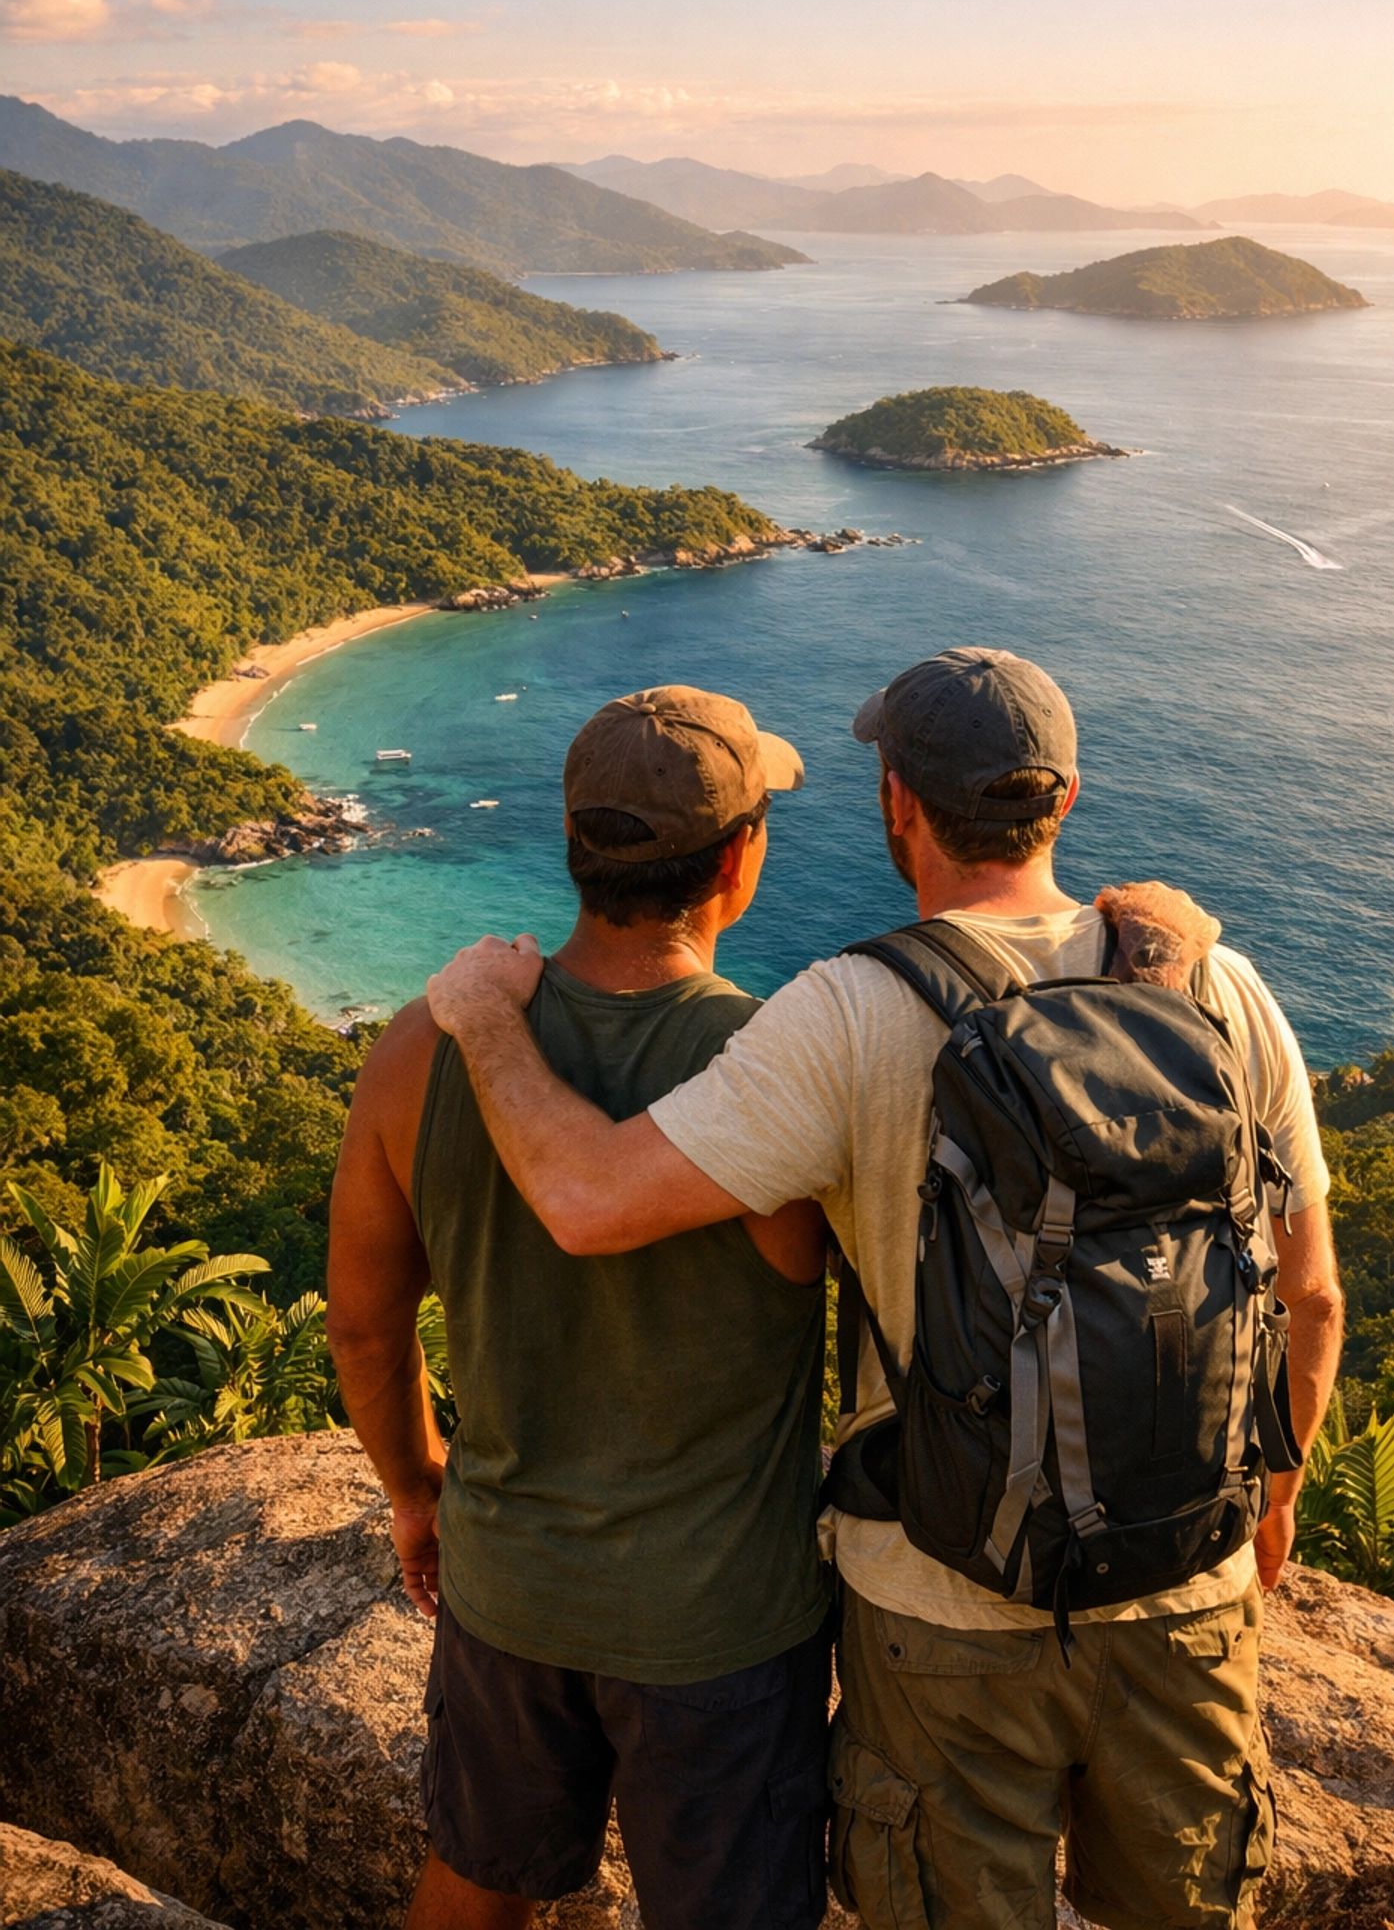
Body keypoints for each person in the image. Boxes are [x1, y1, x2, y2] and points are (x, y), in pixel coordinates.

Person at [426, 647, 1345, 1930]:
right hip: (1186, 1582)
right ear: (1064, 799)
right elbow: (1309, 1297)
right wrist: (1269, 1495)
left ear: (896, 805)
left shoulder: (846, 1012)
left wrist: (481, 1021)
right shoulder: (1213, 983)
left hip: (939, 1595)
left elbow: (586, 1201)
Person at [326, 686, 832, 1930]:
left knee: (474, 1891)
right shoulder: (774, 1075)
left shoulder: (426, 1043)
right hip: (720, 1620)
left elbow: (363, 1323)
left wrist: (415, 1486)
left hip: (508, 1586)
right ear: (741, 855)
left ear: (575, 846)